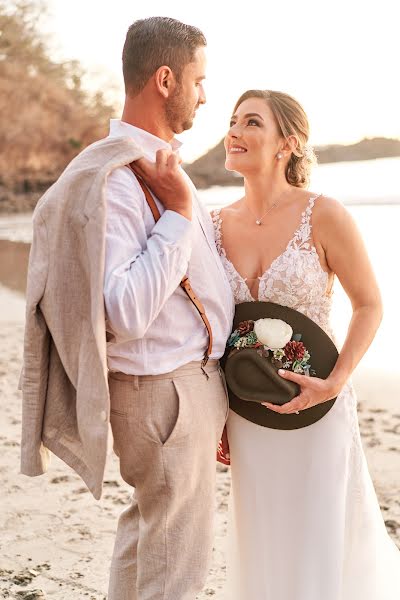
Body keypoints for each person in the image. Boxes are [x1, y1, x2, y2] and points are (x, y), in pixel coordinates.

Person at [20, 16, 234, 600]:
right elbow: (123, 310)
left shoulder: (152, 168)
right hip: (163, 392)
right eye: (198, 80)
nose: (205, 94)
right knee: (175, 567)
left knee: (147, 541)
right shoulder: (119, 178)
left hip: (168, 389)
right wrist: (180, 216)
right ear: (165, 79)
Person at [211, 89, 400, 599]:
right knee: (262, 539)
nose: (234, 130)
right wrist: (214, 413)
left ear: (286, 144)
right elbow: (205, 327)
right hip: (249, 413)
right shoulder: (212, 225)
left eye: (251, 122)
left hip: (318, 405)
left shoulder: (324, 214)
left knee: (320, 538)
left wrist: (334, 383)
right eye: (232, 120)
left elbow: (369, 304)